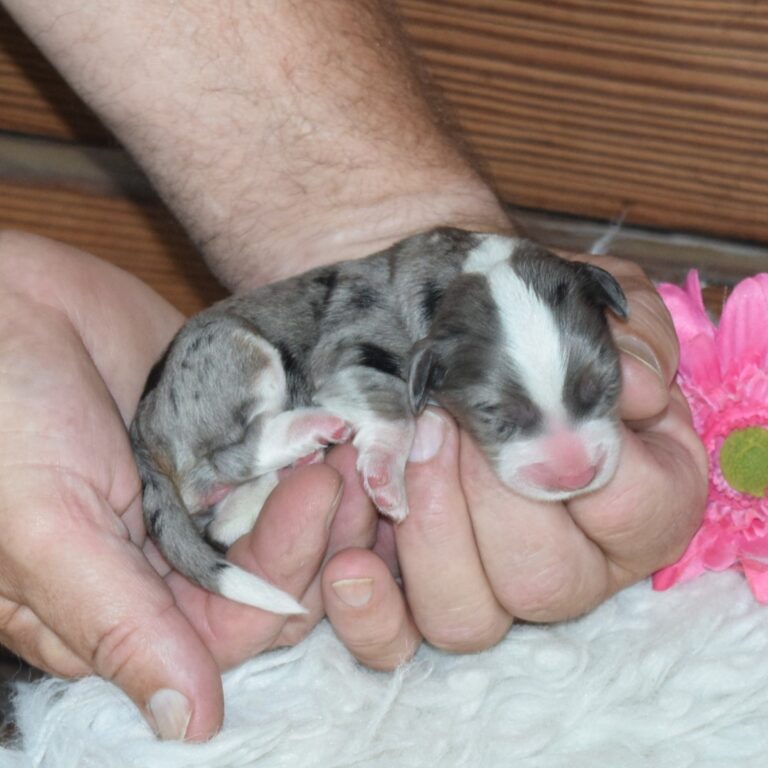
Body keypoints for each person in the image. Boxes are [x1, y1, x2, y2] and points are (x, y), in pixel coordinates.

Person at [0, 0, 708, 741]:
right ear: (427, 373)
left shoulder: (444, 307)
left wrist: (369, 208)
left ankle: (232, 488)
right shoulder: (384, 343)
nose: (571, 458)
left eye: (595, 398)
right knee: (269, 406)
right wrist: (381, 429)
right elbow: (350, 368)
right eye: (507, 418)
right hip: (218, 381)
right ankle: (237, 463)